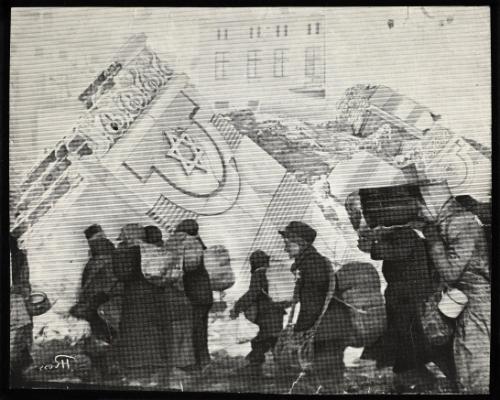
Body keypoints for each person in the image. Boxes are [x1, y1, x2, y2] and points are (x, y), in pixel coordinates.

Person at [346, 191, 454, 392]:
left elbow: (396, 251)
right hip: (404, 301)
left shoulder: (405, 234)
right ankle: (415, 379)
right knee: (409, 344)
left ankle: (445, 379)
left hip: (412, 301)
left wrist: (374, 246)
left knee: (425, 343)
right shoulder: (400, 234)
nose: (372, 224)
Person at [419, 182, 491, 393]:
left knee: (476, 367)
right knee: (467, 363)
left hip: (477, 306)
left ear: (430, 201)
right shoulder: (453, 220)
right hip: (470, 303)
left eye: (420, 204)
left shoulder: (461, 222)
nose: (419, 210)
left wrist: (432, 239)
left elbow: (451, 271)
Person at [278, 221, 349, 394]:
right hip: (331, 326)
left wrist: (299, 331)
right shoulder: (312, 262)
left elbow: (312, 304)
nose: (285, 249)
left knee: (327, 373)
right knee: (329, 373)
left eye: (288, 244)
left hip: (327, 328)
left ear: (300, 243)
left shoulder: (311, 265)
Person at [111, 223, 171, 382]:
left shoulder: (128, 251)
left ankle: (136, 373)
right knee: (153, 333)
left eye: (123, 234)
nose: (121, 238)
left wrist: (118, 254)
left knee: (134, 334)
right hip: (155, 296)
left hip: (134, 298)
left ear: (129, 236)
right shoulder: (153, 250)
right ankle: (154, 371)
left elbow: (123, 274)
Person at [229, 250, 285, 378]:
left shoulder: (259, 274)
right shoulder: (273, 274)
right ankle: (283, 367)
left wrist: (238, 307)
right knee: (274, 340)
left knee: (259, 340)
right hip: (278, 313)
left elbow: (252, 293)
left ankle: (254, 368)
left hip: (265, 314)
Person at [175, 219, 213, 372]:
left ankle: (198, 364)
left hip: (196, 295)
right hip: (204, 294)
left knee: (195, 329)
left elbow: (190, 266)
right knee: (201, 329)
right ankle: (204, 361)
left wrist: (177, 267)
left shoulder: (191, 244)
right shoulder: (199, 243)